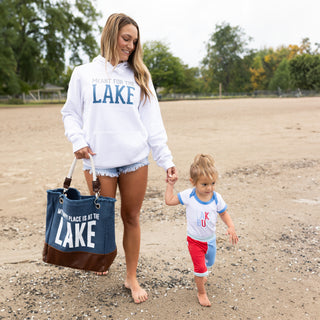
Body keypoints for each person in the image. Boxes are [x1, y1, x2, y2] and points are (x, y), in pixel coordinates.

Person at [61, 13, 177, 304]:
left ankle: (131, 276)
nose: (130, 46)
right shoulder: (84, 73)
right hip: (98, 162)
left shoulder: (140, 75)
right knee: (103, 219)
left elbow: (153, 123)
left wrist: (166, 159)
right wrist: (78, 141)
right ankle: (104, 257)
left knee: (132, 216)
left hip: (134, 159)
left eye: (134, 41)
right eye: (126, 38)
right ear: (111, 35)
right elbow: (70, 114)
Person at [165, 154, 238, 307]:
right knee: (200, 269)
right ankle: (201, 292)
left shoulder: (216, 198)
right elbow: (169, 201)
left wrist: (231, 226)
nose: (209, 188)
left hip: (211, 240)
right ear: (193, 182)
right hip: (194, 241)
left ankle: (203, 272)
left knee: (209, 263)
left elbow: (223, 213)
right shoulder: (189, 195)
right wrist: (170, 185)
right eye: (204, 184)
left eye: (212, 183)